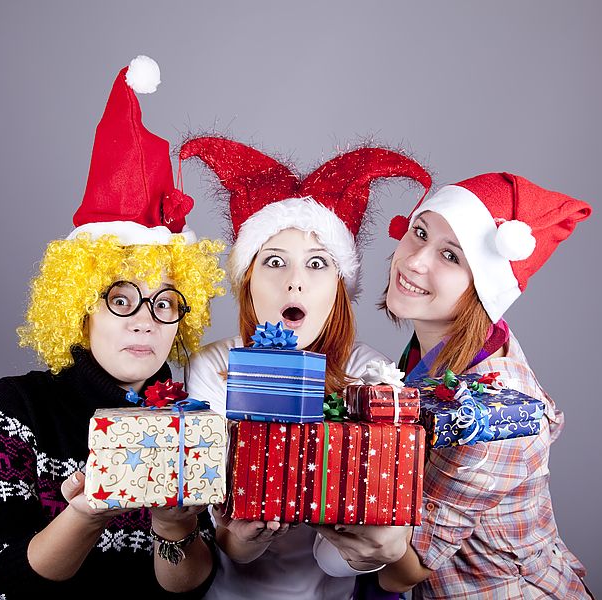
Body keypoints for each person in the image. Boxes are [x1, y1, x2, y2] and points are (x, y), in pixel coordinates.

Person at [0, 56, 225, 598]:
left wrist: (174, 531)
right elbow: (3, 584)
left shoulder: (191, 414)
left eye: (166, 302)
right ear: (80, 306)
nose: (147, 322)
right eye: (123, 299)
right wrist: (85, 512)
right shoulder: (12, 409)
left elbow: (192, 588)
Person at [179, 136, 432, 599]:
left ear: (339, 286)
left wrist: (383, 542)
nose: (295, 280)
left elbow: (342, 561)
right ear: (248, 280)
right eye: (275, 262)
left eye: (318, 264)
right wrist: (242, 537)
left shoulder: (370, 376)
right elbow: (223, 541)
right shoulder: (214, 367)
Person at [369, 172, 594, 598]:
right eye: (419, 233)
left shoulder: (496, 412)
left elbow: (407, 567)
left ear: (485, 288)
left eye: (451, 256)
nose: (415, 261)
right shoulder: (437, 349)